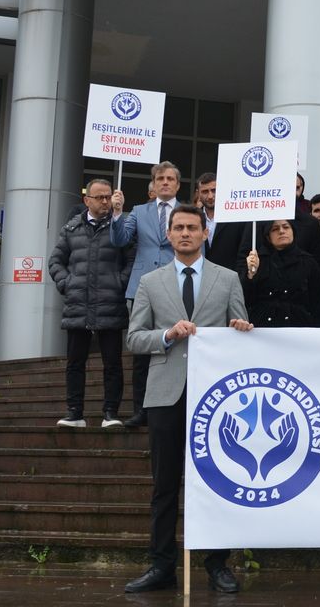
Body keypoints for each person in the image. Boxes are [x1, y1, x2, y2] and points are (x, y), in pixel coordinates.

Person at [123, 204, 252, 595]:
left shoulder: (228, 279)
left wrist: (240, 328)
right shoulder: (150, 282)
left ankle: (217, 563)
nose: (184, 233)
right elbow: (134, 338)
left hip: (215, 396)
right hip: (166, 394)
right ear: (168, 234)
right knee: (164, 485)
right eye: (178, 227)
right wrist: (167, 335)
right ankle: (161, 565)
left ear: (204, 233)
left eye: (192, 228)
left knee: (217, 480)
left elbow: (241, 330)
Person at [48, 178, 133, 428]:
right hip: (78, 304)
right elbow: (55, 261)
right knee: (75, 363)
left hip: (110, 302)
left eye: (108, 196)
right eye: (100, 197)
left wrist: (119, 283)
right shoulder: (71, 228)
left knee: (112, 363)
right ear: (87, 200)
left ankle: (111, 413)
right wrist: (67, 283)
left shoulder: (120, 227)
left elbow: (132, 259)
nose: (105, 201)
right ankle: (74, 413)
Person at [110, 160, 183, 428]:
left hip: (177, 286)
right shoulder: (139, 211)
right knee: (142, 352)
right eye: (160, 178)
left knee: (176, 349)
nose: (165, 182)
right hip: (142, 288)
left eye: (170, 178)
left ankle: (175, 407)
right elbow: (120, 240)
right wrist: (117, 213)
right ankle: (141, 410)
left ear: (178, 184)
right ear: (153, 184)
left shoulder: (187, 212)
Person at [241, 219, 320, 328]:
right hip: (263, 327)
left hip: (299, 327)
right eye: (275, 229)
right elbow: (246, 300)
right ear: (268, 236)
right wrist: (250, 275)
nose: (281, 231)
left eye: (286, 227)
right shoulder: (257, 262)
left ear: (293, 231)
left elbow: (319, 303)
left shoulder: (308, 262)